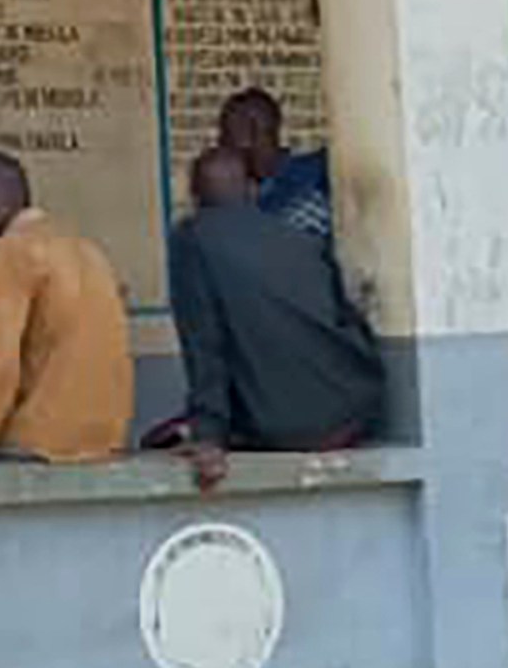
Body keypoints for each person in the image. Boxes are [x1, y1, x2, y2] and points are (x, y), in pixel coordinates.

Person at [165, 145, 385, 491]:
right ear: (254, 190)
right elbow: (344, 316)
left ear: (194, 197)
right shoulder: (301, 241)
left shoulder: (192, 240)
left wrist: (208, 437)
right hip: (358, 409)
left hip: (287, 428)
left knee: (162, 439)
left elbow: (204, 345)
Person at [0, 152, 133, 463]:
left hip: (42, 440)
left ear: (4, 195)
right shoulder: (83, 246)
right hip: (107, 437)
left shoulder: (14, 248)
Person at [218, 87, 332, 241]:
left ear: (247, 133)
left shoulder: (316, 178)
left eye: (225, 134)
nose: (220, 144)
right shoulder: (243, 197)